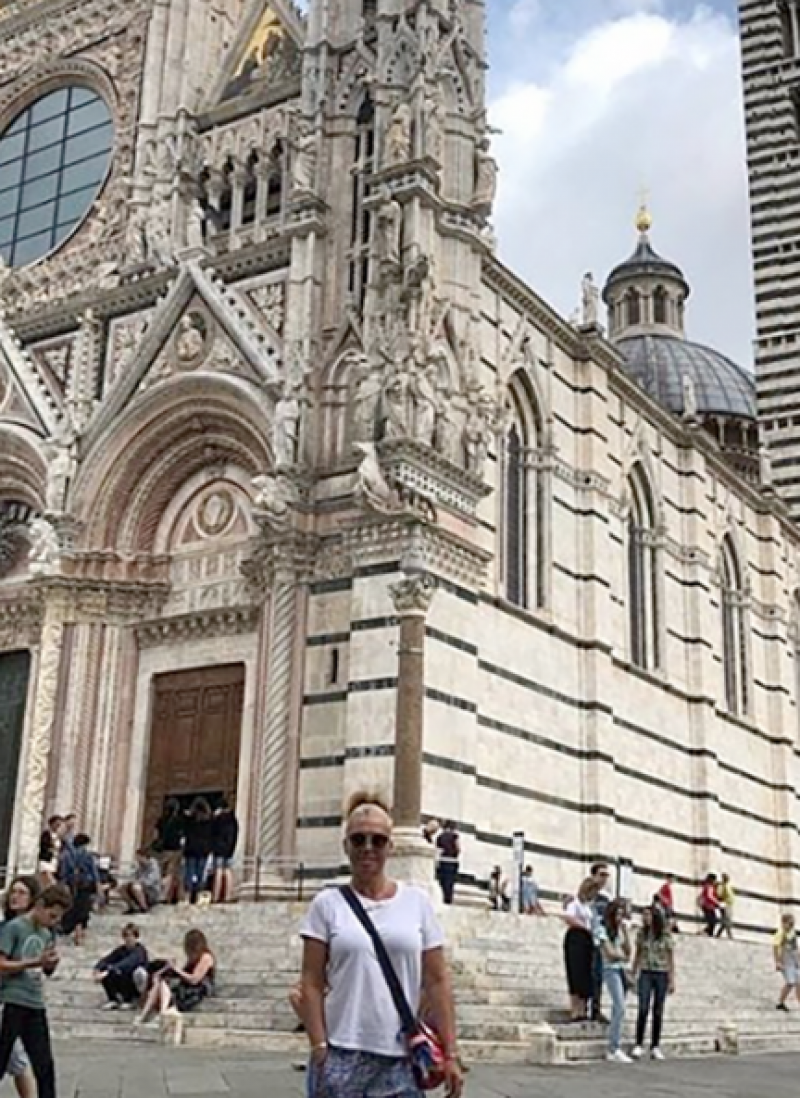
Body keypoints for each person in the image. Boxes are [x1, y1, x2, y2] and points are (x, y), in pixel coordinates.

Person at [299, 792, 463, 1098]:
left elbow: (438, 980)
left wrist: (451, 1054)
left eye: (377, 840)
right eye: (358, 839)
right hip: (341, 1052)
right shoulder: (326, 904)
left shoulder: (416, 903)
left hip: (403, 1056)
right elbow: (310, 981)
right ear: (345, 845)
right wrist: (320, 1046)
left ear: (390, 846)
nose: (368, 848)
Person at [0, 883, 71, 1098]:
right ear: (39, 905)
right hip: (12, 1000)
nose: (54, 921)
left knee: (44, 1065)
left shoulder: (46, 933)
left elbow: (45, 970)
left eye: (58, 918)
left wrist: (50, 964)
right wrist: (34, 962)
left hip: (35, 1002)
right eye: (52, 915)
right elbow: (1, 964)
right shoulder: (14, 928)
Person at [2, 877, 42, 1098]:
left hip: (13, 999)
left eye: (22, 892)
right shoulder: (7, 926)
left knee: (17, 1059)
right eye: (13, 892)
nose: (14, 896)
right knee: (17, 1059)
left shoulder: (32, 930)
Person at [136, 930, 215, 1030]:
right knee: (160, 982)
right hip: (187, 987)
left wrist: (176, 969)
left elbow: (194, 979)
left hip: (198, 989)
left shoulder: (206, 957)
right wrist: (164, 970)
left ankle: (161, 1013)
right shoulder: (192, 958)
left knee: (165, 987)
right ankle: (145, 1014)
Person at [631, 903, 675, 1061]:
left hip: (661, 973)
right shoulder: (641, 934)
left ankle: (655, 1045)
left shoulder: (664, 934)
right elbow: (638, 953)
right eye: (643, 915)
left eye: (648, 915)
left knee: (658, 1009)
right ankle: (638, 1043)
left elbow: (670, 957)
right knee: (643, 1008)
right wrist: (633, 972)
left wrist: (671, 979)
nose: (645, 918)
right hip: (646, 972)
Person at [594, 898, 632, 1063]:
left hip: (621, 970)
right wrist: (621, 956)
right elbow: (609, 953)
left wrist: (625, 932)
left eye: (621, 915)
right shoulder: (601, 929)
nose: (619, 918)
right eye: (617, 914)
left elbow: (628, 952)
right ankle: (613, 1048)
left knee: (620, 1008)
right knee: (619, 1006)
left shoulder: (619, 930)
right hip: (610, 970)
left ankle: (615, 1044)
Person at [560, 877, 599, 1022]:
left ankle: (583, 1009)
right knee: (575, 973)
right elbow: (568, 917)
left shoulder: (589, 906)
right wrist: (584, 926)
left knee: (585, 974)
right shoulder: (574, 903)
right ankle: (575, 1009)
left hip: (587, 941)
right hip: (576, 937)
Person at [93, 924, 148, 1010]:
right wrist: (97, 969)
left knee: (123, 970)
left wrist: (108, 970)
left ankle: (130, 1000)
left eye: (131, 936)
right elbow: (107, 959)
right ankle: (113, 999)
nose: (128, 939)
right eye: (126, 936)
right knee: (108, 969)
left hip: (134, 982)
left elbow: (128, 963)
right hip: (122, 980)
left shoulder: (140, 951)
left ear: (136, 937)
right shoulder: (121, 950)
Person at [57, 833, 99, 945]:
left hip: (72, 885)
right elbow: (94, 873)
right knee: (82, 910)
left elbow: (63, 873)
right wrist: (98, 887)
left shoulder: (65, 855)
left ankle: (73, 931)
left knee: (73, 908)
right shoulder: (87, 855)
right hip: (85, 885)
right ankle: (79, 935)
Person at [589, 862, 612, 1022]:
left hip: (600, 940)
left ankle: (595, 1008)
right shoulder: (586, 893)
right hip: (586, 938)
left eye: (606, 875)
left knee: (597, 975)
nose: (604, 878)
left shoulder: (607, 897)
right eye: (601, 874)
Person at [152, 798, 184, 904]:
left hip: (163, 850)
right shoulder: (179, 821)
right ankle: (166, 896)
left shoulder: (161, 820)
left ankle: (164, 894)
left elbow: (155, 834)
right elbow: (183, 836)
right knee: (171, 874)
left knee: (163, 872)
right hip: (175, 849)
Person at [182, 798, 213, 905]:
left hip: (191, 849)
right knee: (200, 874)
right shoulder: (209, 821)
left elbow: (184, 830)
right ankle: (199, 896)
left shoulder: (190, 820)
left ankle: (187, 896)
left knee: (189, 874)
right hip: (203, 850)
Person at [210, 799, 239, 905]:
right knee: (228, 871)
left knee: (218, 871)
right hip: (229, 849)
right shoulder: (233, 819)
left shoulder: (219, 819)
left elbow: (213, 832)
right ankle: (229, 894)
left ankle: (216, 895)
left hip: (219, 848)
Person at [120, 849, 161, 914]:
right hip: (140, 888)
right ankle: (132, 907)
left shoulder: (153, 865)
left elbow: (150, 881)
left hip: (151, 891)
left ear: (144, 857)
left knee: (136, 887)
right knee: (122, 887)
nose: (137, 860)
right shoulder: (139, 866)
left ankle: (144, 908)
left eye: (138, 858)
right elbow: (132, 874)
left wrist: (138, 882)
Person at [774, 913, 800, 1012]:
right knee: (790, 982)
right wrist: (777, 962)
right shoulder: (780, 933)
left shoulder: (792, 932)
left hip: (793, 960)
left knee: (799, 982)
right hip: (785, 960)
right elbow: (775, 948)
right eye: (790, 923)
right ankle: (780, 1002)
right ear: (784, 923)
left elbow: (795, 947)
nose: (791, 925)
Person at [435, 821, 460, 906]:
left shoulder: (440, 837)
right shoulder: (454, 836)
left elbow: (438, 850)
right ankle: (448, 900)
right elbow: (458, 848)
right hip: (451, 861)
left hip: (442, 860)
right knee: (450, 882)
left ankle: (442, 899)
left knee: (443, 881)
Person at [37, 818, 63, 885]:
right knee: (49, 880)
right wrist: (52, 846)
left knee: (50, 879)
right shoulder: (46, 834)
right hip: (46, 859)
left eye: (59, 824)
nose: (58, 825)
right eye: (57, 823)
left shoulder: (58, 835)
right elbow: (43, 845)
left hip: (54, 860)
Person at [715, 873, 735, 940]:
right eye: (725, 877)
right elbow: (719, 895)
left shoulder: (727, 885)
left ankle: (719, 935)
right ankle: (729, 935)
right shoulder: (721, 886)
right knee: (727, 920)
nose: (727, 878)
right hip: (725, 905)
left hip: (729, 905)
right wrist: (723, 902)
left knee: (726, 921)